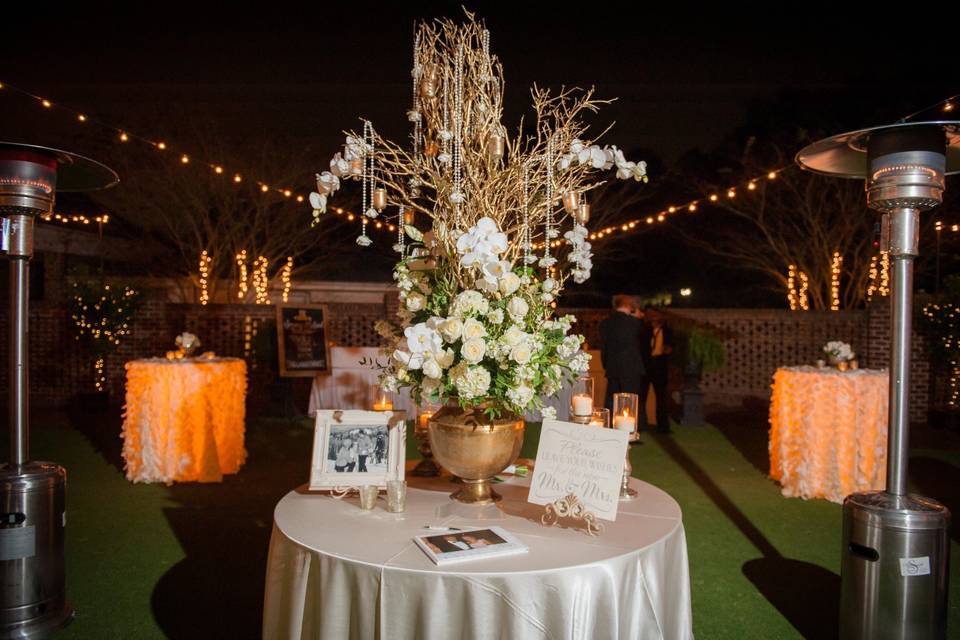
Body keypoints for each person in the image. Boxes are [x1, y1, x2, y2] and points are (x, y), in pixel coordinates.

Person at [599, 294, 646, 417]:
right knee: (631, 402)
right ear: (627, 305)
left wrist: (606, 364)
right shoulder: (633, 322)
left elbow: (604, 347)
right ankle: (631, 428)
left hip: (612, 367)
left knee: (611, 400)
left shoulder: (606, 323)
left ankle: (609, 427)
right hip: (631, 368)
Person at [640, 307, 674, 433]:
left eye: (656, 317)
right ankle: (641, 424)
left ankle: (663, 426)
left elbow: (672, 347)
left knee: (661, 398)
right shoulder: (645, 330)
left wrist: (668, 350)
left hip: (660, 368)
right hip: (646, 368)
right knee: (642, 397)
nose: (654, 319)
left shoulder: (667, 331)